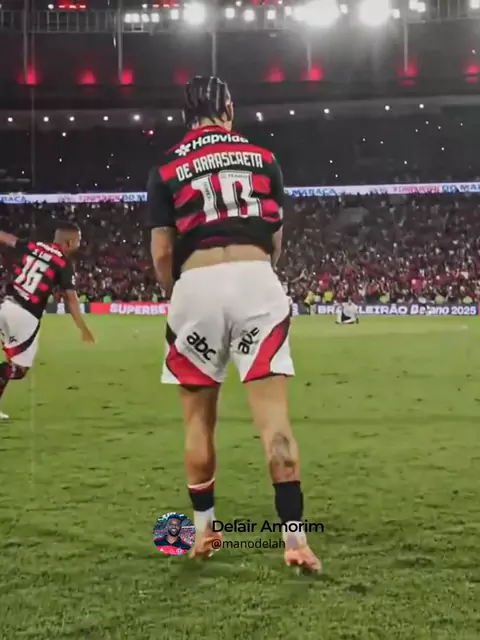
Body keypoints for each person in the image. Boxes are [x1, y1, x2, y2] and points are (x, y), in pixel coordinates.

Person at [147, 75, 320, 572]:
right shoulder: (263, 158)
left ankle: (204, 532)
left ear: (187, 116)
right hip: (256, 281)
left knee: (198, 422)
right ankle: (295, 541)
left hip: (196, 286)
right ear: (228, 108)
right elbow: (276, 241)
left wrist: (179, 291)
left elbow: (162, 252)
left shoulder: (166, 166)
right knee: (275, 424)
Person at [0, 222, 95, 419]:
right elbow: (71, 299)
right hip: (26, 316)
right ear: (69, 243)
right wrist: (83, 328)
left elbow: (9, 239)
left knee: (11, 362)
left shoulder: (35, 246)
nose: (79, 244)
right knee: (19, 369)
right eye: (78, 241)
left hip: (6, 305)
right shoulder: (63, 263)